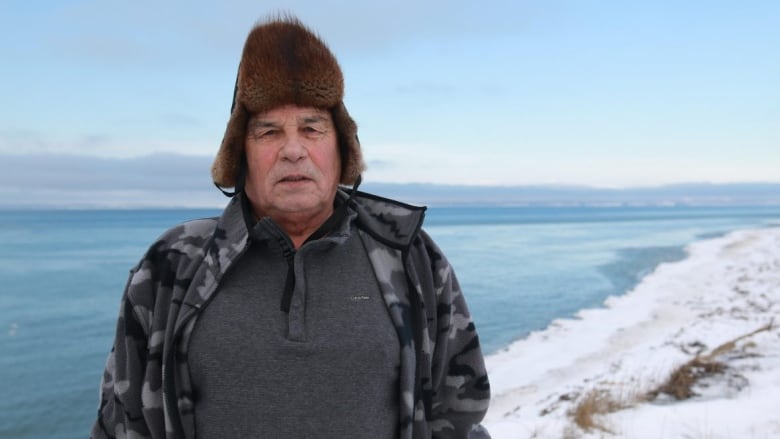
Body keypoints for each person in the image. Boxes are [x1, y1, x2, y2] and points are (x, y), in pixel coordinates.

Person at [92, 14, 491, 439]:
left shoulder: (411, 258)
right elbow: (122, 423)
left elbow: (459, 417)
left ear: (342, 150)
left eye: (312, 128)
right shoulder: (172, 267)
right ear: (240, 155)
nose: (293, 150)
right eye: (268, 131)